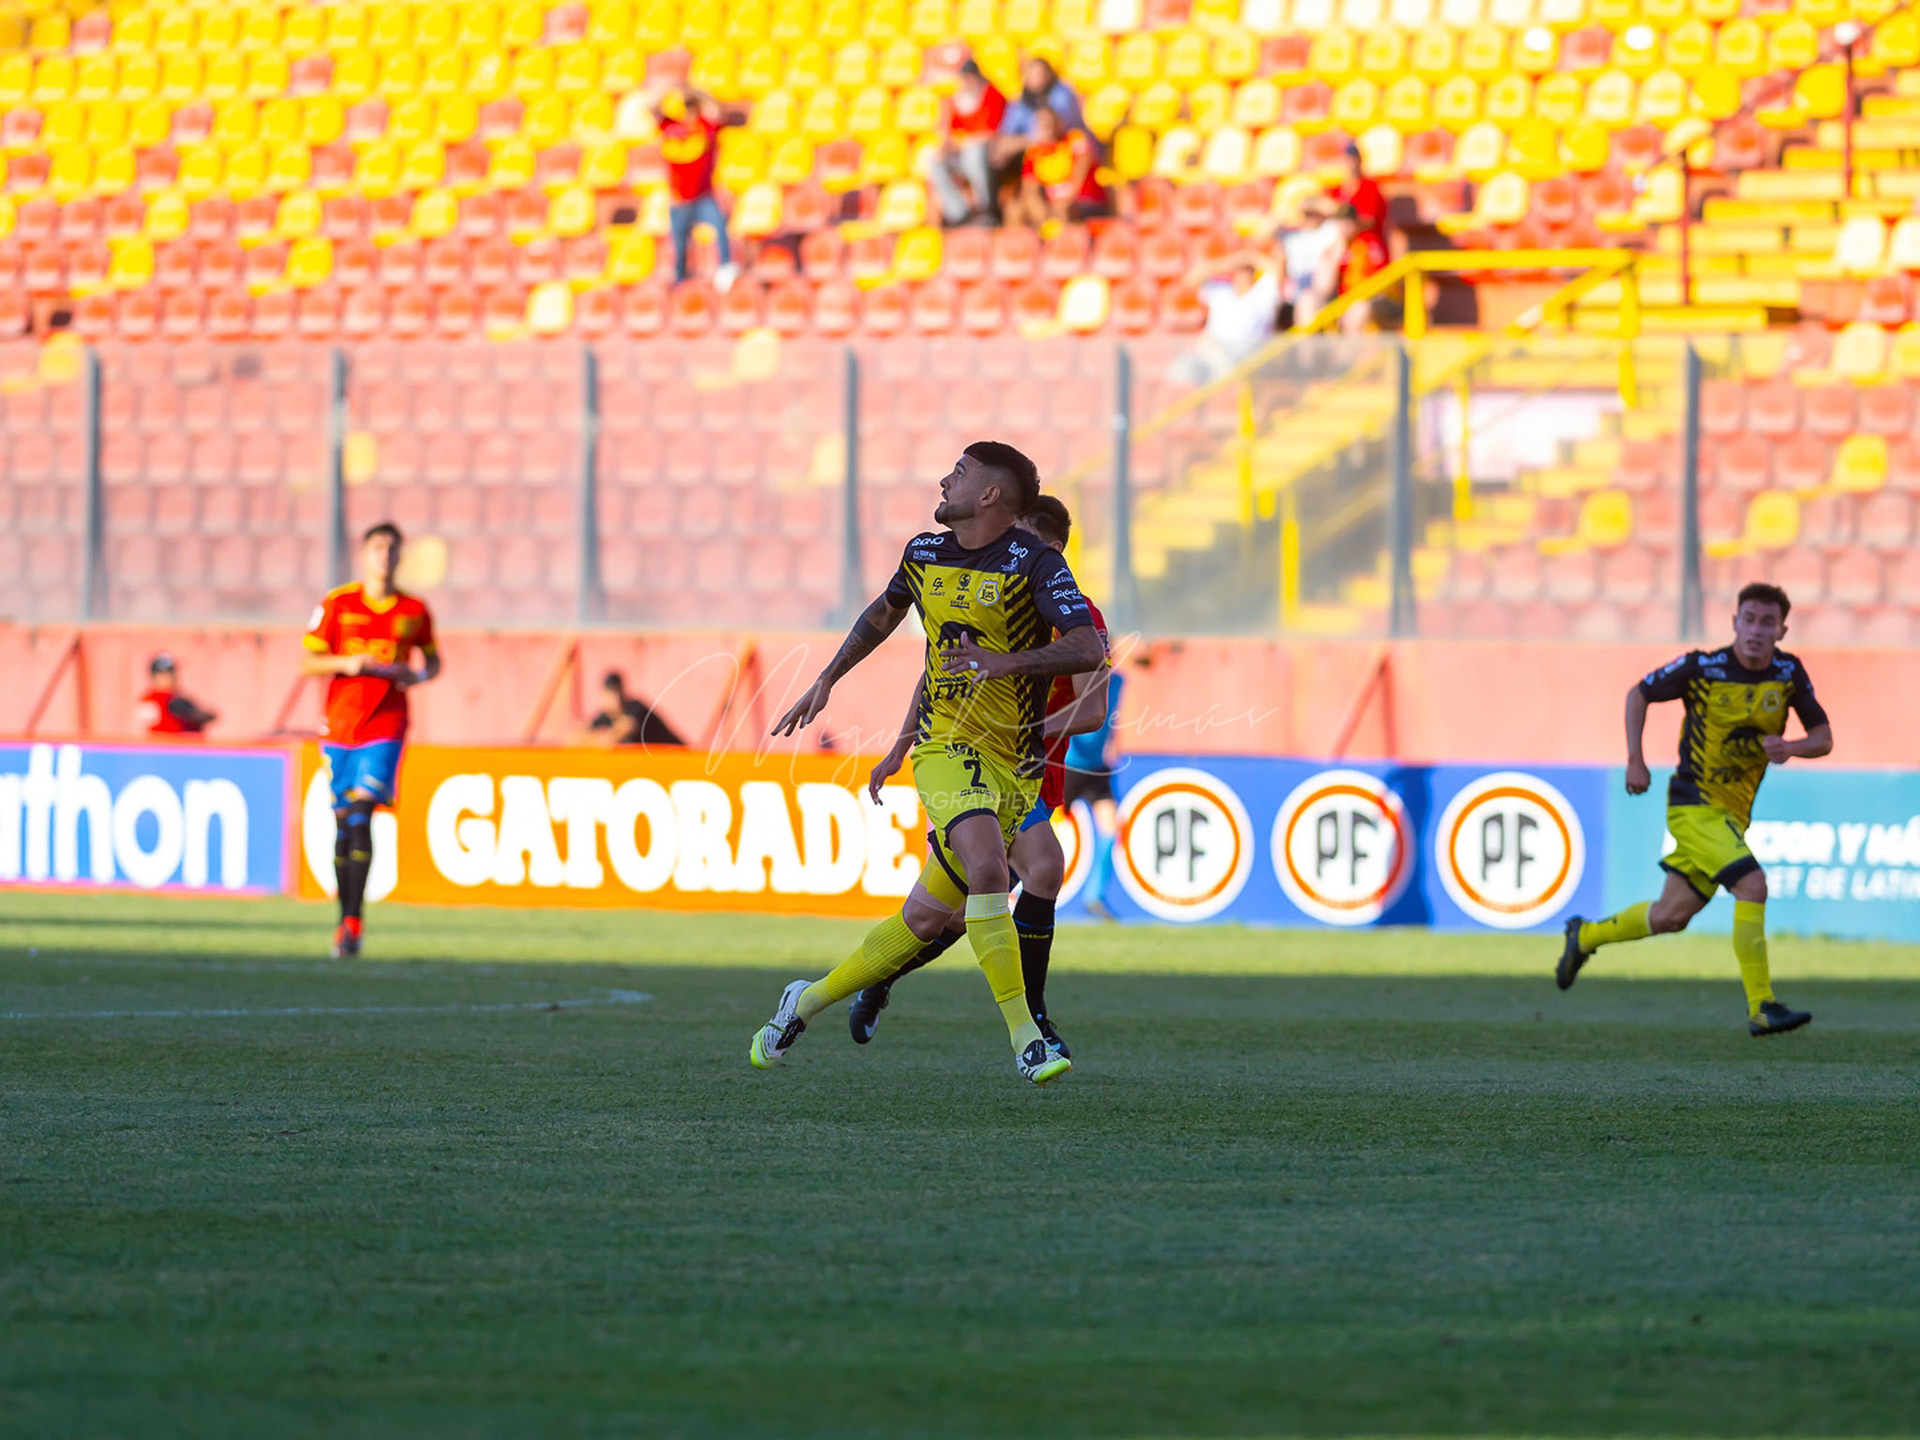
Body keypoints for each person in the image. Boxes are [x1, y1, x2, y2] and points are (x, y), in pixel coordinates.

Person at [754, 442, 1106, 1085]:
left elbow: (1087, 646)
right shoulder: (924, 553)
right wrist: (829, 677)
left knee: (923, 919)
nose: (947, 480)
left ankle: (801, 1003)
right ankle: (1029, 1038)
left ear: (992, 495)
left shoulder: (1035, 563)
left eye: (962, 473)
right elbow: (883, 616)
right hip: (946, 748)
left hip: (1013, 763)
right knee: (990, 867)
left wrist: (1005, 665)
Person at [846, 495, 1112, 1058]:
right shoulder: (982, 597)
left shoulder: (1080, 617)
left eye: (1023, 540)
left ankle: (881, 980)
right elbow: (935, 677)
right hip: (965, 763)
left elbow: (1091, 712)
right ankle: (1029, 1023)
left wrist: (1026, 732)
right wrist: (898, 749)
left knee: (958, 918)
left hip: (1029, 773)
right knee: (1016, 880)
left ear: (1054, 552)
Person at [1556, 583, 1832, 1037]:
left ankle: (1584, 936)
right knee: (1753, 885)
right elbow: (1638, 693)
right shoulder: (1701, 667)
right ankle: (1762, 1006)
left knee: (1670, 916)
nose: (1756, 630)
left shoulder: (1788, 673)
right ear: (1734, 623)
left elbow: (1823, 738)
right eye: (1749, 619)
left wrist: (1792, 747)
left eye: (1767, 622)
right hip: (1694, 806)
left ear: (1782, 629)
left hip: (1732, 815)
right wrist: (1635, 759)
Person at [300, 522, 441, 960]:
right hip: (340, 727)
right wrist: (348, 662)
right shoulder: (338, 603)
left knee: (362, 812)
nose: (385, 556)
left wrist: (415, 676)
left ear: (400, 557)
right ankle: (345, 920)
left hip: (386, 725)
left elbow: (433, 662)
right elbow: (308, 662)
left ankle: (354, 922)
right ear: (364, 553)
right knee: (344, 822)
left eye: (392, 549)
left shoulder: (414, 609)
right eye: (378, 547)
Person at [1066, 640, 1127, 921]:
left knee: (1111, 827)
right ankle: (1009, 889)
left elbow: (1111, 719)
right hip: (1067, 765)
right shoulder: (1074, 679)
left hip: (1097, 768)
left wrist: (1113, 746)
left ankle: (1094, 896)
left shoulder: (1117, 682)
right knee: (1038, 830)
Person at [656, 86, 736, 288]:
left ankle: (725, 267)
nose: (690, 111)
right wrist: (672, 92)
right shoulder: (672, 127)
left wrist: (699, 93)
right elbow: (653, 110)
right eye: (687, 106)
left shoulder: (705, 127)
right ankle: (681, 278)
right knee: (680, 242)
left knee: (720, 226)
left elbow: (720, 111)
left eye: (693, 106)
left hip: (703, 196)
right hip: (680, 198)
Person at [1169, 244, 1283, 386]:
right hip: (1213, 350)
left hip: (1244, 356)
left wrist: (1250, 257)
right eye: (1240, 270)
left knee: (1222, 373)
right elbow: (1191, 278)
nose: (1244, 274)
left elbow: (1276, 270)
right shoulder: (1221, 291)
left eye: (1248, 270)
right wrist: (1233, 261)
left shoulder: (1262, 294)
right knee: (1182, 370)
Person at [990, 56, 1086, 197]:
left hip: (1062, 153)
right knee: (996, 155)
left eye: (1040, 75)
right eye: (1032, 75)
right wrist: (1015, 143)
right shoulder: (1022, 99)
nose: (1037, 80)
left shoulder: (1062, 94)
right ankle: (994, 208)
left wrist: (1022, 142)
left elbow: (1051, 133)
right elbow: (1006, 135)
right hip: (1034, 151)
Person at [929, 59, 1007, 227]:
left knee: (974, 154)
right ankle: (958, 212)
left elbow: (993, 133)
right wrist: (945, 147)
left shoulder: (992, 95)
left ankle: (986, 209)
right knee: (934, 158)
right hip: (962, 152)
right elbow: (950, 132)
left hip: (988, 154)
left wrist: (963, 143)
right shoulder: (956, 100)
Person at [1008, 106, 1110, 228]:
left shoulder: (1074, 139)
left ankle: (1064, 243)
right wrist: (1041, 212)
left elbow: (1081, 169)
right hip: (1052, 205)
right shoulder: (1034, 152)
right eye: (1042, 123)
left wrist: (1064, 199)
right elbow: (1030, 189)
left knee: (1062, 210)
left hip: (1083, 200)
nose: (1047, 127)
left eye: (1050, 122)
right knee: (1015, 210)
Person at [573, 671, 686, 749]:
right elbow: (575, 738)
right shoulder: (606, 715)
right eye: (611, 693)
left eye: (616, 693)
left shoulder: (636, 708)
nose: (615, 698)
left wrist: (594, 739)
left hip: (678, 755)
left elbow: (611, 740)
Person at [138, 653, 216, 738]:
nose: (167, 678)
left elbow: (204, 719)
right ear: (154, 676)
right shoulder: (150, 700)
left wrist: (194, 716)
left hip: (182, 747)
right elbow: (151, 728)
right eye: (162, 674)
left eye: (170, 673)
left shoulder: (180, 699)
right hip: (161, 747)